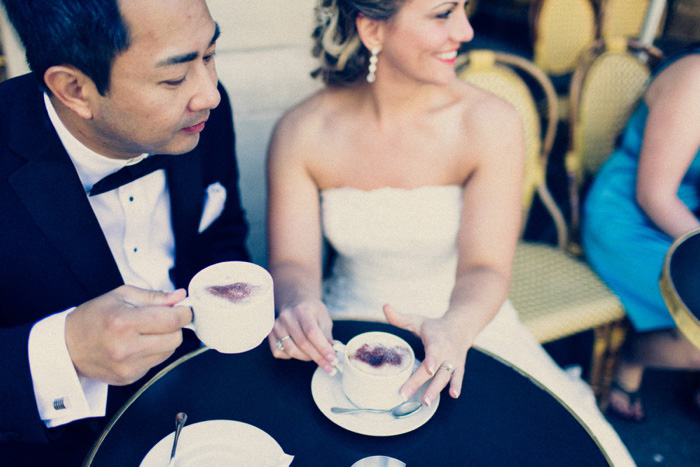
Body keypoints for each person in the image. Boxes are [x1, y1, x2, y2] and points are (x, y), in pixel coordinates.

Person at [266, 0, 633, 463]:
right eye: (442, 13)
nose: (464, 30)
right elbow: (292, 263)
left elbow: (485, 267)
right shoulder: (301, 132)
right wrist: (300, 305)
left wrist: (455, 331)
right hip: (346, 331)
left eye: (463, 8)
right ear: (373, 31)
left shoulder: (490, 122)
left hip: (469, 320)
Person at [0, 0, 249, 464]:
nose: (210, 93)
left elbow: (222, 236)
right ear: (74, 88)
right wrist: (63, 351)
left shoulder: (201, 114)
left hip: (211, 416)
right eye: (173, 78)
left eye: (210, 55)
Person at [583, 45, 700, 422]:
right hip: (630, 216)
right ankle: (631, 354)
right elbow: (654, 196)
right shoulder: (695, 80)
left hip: (687, 215)